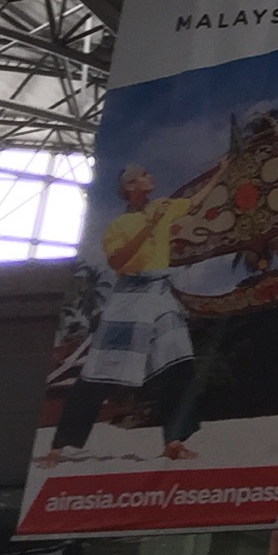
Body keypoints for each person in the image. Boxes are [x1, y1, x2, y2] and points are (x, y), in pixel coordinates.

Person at [45, 164, 204, 463]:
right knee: (100, 369)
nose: (150, 177)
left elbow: (196, 202)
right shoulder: (118, 226)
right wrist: (149, 226)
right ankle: (60, 445)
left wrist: (222, 172)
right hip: (129, 296)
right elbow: (118, 261)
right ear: (130, 186)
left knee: (177, 363)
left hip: (160, 293)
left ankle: (175, 441)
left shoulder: (162, 206)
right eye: (144, 175)